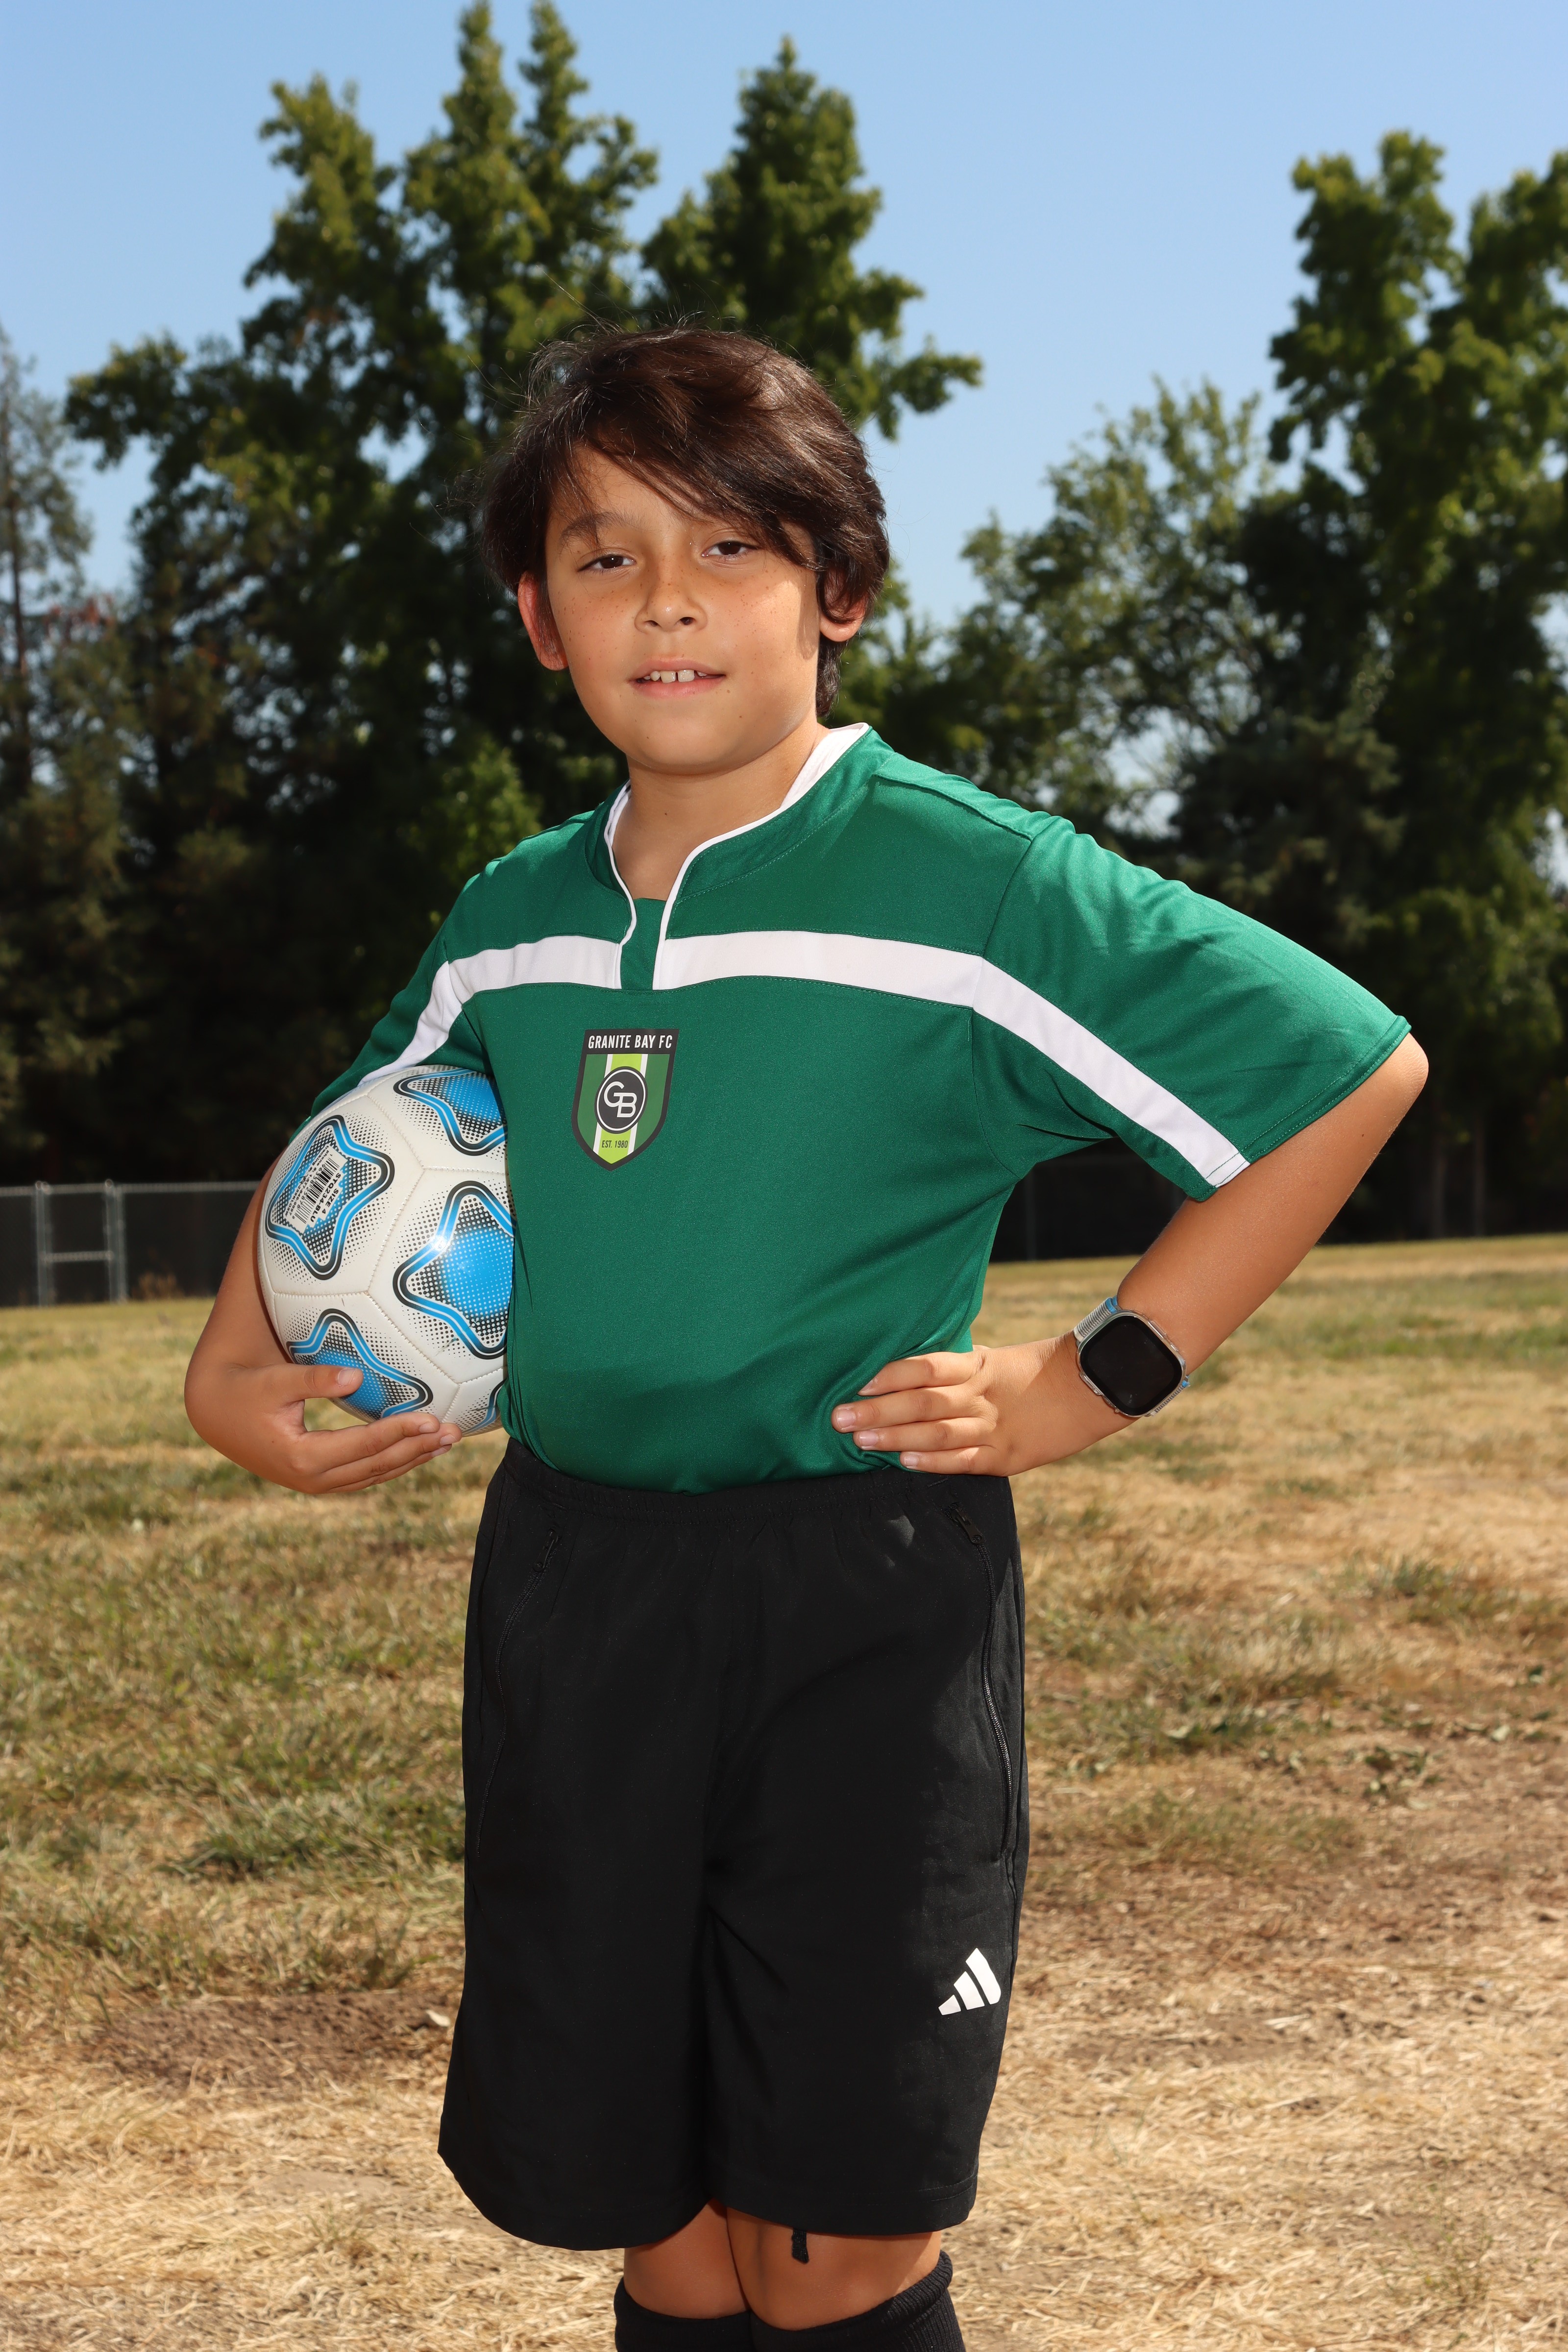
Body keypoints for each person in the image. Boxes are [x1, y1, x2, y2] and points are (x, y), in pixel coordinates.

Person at [185, 328, 1427, 2350]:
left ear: (834, 588)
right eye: (605, 557)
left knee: (829, 2237)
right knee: (661, 2222)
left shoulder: (969, 883)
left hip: (862, 1600)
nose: (667, 601)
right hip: (577, 1588)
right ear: (538, 616)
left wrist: (1096, 1375)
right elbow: (353, 1145)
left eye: (732, 548)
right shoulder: (508, 919)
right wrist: (227, 1373)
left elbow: (1344, 1069)